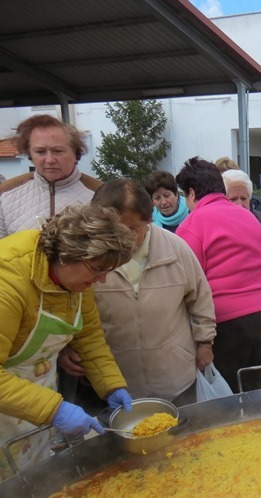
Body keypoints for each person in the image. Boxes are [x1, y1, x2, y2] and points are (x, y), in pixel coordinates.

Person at [0, 204, 136, 478]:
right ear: (66, 255)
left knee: (30, 485)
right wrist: (54, 409)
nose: (102, 280)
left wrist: (111, 386)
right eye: (97, 270)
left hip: (31, 404)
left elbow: (90, 337)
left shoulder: (75, 279)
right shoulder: (8, 280)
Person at [83, 179, 216, 405]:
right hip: (118, 378)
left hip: (175, 374)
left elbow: (200, 297)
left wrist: (205, 342)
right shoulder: (90, 256)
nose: (123, 237)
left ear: (149, 220)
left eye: (133, 228)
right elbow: (72, 309)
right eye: (115, 229)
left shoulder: (176, 249)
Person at [175, 158, 261, 392]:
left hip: (229, 317)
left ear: (192, 193)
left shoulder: (192, 223)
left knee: (229, 386)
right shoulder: (248, 216)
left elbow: (189, 280)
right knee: (252, 371)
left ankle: (239, 423)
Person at [0, 115, 101, 238]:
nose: (49, 160)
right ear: (29, 154)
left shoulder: (102, 196)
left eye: (58, 151)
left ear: (75, 153)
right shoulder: (5, 196)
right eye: (40, 152)